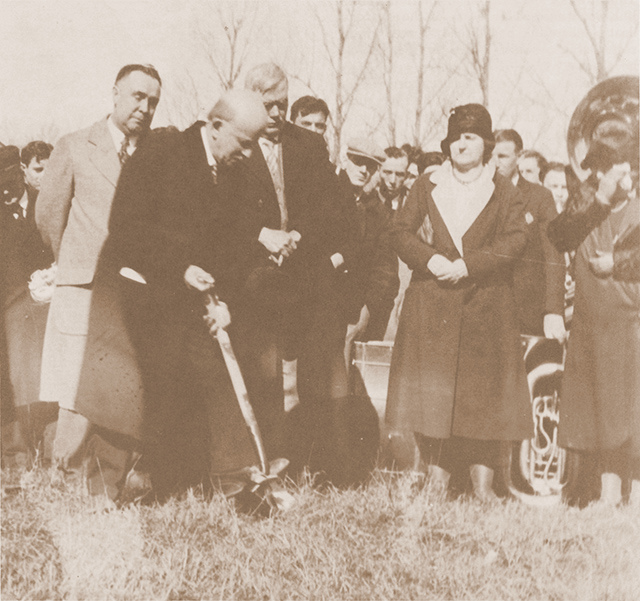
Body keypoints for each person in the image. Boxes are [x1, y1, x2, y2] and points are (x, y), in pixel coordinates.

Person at [83, 89, 285, 506]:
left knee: (188, 386)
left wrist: (227, 301)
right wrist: (178, 268)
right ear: (215, 126)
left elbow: (234, 246)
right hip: (132, 287)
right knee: (125, 390)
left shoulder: (237, 172)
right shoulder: (163, 150)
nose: (249, 154)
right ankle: (102, 494)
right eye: (244, 143)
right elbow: (126, 225)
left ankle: (178, 488)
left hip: (185, 297)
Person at [386, 104, 531, 502]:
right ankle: (437, 479)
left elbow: (516, 241)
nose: (461, 144)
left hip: (486, 304)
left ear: (486, 144)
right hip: (433, 304)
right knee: (436, 393)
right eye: (455, 138)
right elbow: (399, 231)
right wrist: (430, 259)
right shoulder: (427, 184)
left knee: (482, 395)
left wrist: (468, 266)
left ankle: (483, 485)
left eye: (470, 137)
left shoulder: (504, 190)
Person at [36, 64, 162, 504]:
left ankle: (106, 484)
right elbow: (49, 215)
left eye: (153, 102)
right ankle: (60, 477)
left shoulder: (156, 156)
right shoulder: (73, 146)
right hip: (82, 286)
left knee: (116, 386)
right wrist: (72, 264)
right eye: (137, 97)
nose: (144, 108)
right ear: (114, 94)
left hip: (131, 291)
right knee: (71, 387)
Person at [222, 63, 346, 472]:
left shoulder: (308, 146)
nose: (276, 116)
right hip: (254, 282)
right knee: (263, 376)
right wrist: (261, 235)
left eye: (282, 106)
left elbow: (328, 208)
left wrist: (297, 238)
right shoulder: (233, 144)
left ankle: (311, 465)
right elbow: (221, 211)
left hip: (304, 279)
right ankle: (263, 462)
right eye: (268, 107)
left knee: (313, 379)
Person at [548, 139, 639, 507]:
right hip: (590, 326)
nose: (628, 173)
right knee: (594, 412)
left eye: (630, 165)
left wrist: (616, 264)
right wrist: (599, 196)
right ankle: (595, 492)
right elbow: (559, 233)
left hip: (627, 326)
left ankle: (616, 494)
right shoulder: (586, 210)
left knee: (622, 413)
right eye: (619, 166)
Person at [1, 143, 56, 467]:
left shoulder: (45, 206)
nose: (6, 192)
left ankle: (49, 453)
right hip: (7, 311)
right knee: (10, 386)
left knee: (47, 379)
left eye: (9, 184)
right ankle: (16, 458)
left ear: (20, 176)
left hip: (44, 308)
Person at [493, 129, 566, 340]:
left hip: (529, 313)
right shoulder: (482, 196)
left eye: (503, 156)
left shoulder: (540, 197)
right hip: (489, 310)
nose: (496, 163)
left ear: (519, 157)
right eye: (491, 156)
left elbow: (554, 254)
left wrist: (553, 310)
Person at [378, 147, 410, 214]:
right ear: (379, 169)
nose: (392, 181)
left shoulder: (412, 205)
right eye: (388, 172)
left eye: (399, 175)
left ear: (406, 175)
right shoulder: (365, 200)